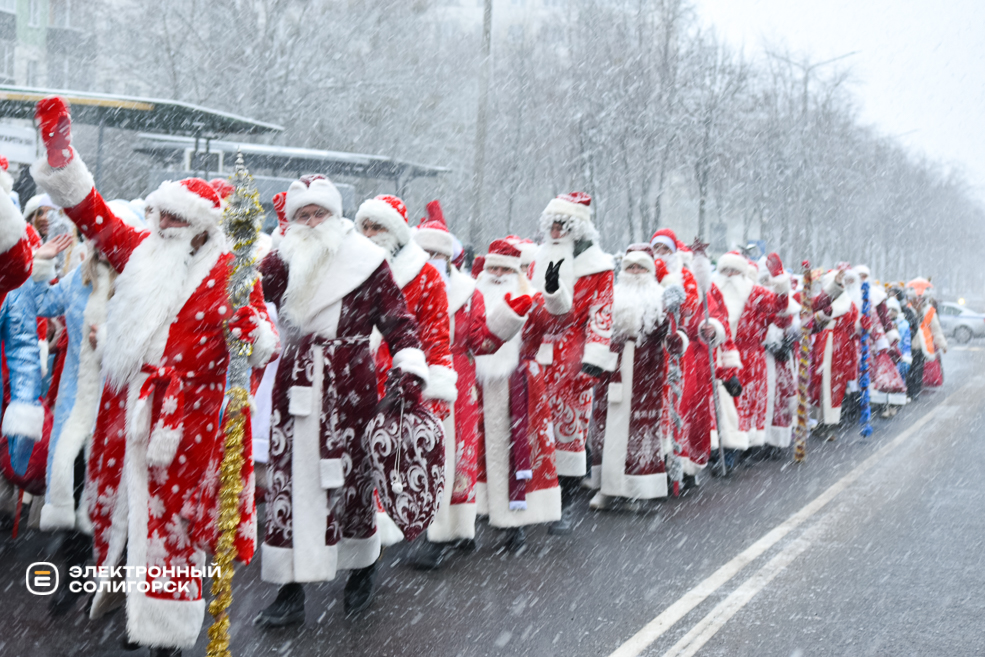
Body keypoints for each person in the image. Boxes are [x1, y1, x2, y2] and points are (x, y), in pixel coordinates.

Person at [30, 96, 278, 655]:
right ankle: (131, 617)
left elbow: (261, 346)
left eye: (175, 218)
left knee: (175, 532)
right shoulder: (141, 252)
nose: (162, 225)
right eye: (159, 214)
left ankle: (165, 636)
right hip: (127, 414)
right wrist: (60, 155)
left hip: (186, 427)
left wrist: (249, 331)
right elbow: (92, 213)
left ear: (200, 227)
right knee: (123, 516)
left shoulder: (233, 274)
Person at [254, 175, 428, 625]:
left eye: (320, 214)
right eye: (302, 216)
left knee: (351, 482)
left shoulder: (368, 261)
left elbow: (400, 323)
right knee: (289, 484)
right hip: (294, 384)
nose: (312, 223)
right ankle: (290, 591)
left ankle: (362, 567)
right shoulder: (282, 259)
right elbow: (248, 297)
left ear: (336, 216)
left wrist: (407, 372)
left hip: (349, 386)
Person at [410, 202, 525, 569]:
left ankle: (448, 533)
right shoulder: (403, 288)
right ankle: (419, 527)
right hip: (413, 375)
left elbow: (480, 342)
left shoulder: (467, 293)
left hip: (456, 379)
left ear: (449, 257)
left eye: (436, 253)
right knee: (415, 455)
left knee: (454, 455)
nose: (430, 259)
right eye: (424, 252)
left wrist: (507, 319)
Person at [527, 192, 613, 534]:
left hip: (572, 354)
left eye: (562, 224)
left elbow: (601, 315)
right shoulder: (538, 258)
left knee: (569, 430)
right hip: (536, 351)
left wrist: (594, 359)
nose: (556, 230)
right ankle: (535, 499)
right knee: (533, 425)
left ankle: (564, 504)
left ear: (577, 228)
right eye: (552, 224)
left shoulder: (599, 267)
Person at [474, 238, 565, 550]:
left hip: (520, 385)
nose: (498, 274)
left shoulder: (531, 298)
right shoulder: (474, 298)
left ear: (516, 272)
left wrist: (553, 292)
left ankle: (516, 525)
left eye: (505, 268)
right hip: (479, 386)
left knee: (517, 452)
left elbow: (557, 320)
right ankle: (479, 513)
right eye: (493, 267)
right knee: (480, 452)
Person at [587, 244, 687, 509]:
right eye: (630, 266)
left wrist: (676, 321)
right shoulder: (612, 295)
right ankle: (607, 487)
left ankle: (637, 489)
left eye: (640, 266)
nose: (635, 271)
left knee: (640, 431)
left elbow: (674, 339)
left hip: (646, 372)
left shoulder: (660, 298)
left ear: (650, 270)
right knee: (607, 430)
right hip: (613, 369)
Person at [709, 252, 789, 457]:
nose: (729, 275)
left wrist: (779, 281)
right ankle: (717, 449)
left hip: (748, 359)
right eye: (725, 270)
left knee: (743, 403)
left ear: (743, 273)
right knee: (718, 405)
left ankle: (734, 453)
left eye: (734, 270)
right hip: (719, 355)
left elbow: (780, 308)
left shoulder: (755, 293)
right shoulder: (710, 292)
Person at [810, 265, 860, 436]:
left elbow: (855, 327)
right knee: (820, 382)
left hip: (839, 345)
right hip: (825, 342)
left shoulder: (850, 305)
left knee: (835, 382)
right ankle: (820, 419)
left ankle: (831, 422)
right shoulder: (824, 302)